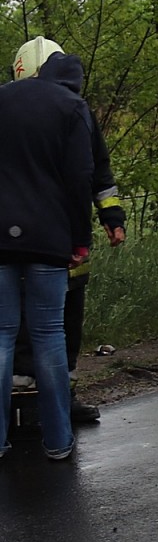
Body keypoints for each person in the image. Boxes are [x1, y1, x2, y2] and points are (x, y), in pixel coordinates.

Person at [10, 37, 127, 423]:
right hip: (55, 239)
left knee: (64, 325)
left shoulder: (77, 112)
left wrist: (112, 217)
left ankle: (62, 397)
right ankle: (25, 397)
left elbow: (97, 172)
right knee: (32, 327)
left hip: (60, 243)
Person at [0, 51, 94, 460]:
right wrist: (80, 240)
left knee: (1, 337)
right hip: (49, 238)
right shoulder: (71, 108)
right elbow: (81, 178)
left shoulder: (4, 97)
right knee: (48, 337)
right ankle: (57, 440)